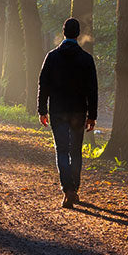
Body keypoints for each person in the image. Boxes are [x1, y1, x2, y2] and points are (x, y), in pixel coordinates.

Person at [37, 17, 98, 208]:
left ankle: (68, 190)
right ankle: (74, 188)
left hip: (57, 111)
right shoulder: (86, 59)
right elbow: (92, 89)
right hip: (79, 111)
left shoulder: (52, 57)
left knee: (61, 150)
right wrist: (92, 115)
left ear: (64, 33)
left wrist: (42, 110)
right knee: (76, 151)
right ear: (78, 34)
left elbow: (43, 84)